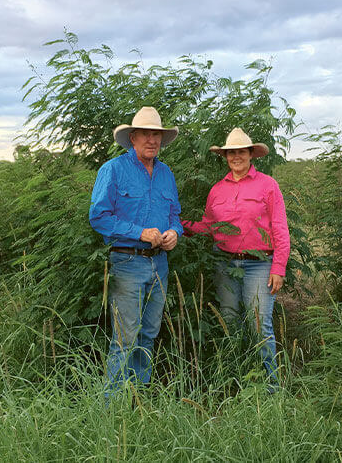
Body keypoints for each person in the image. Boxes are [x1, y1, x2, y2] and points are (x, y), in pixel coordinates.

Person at [181, 127, 290, 389]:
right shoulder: (217, 190)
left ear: (251, 154)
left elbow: (280, 228)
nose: (236, 157)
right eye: (231, 153)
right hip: (224, 263)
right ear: (225, 157)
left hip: (259, 264)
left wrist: (279, 266)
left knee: (259, 326)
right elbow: (209, 227)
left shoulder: (268, 185)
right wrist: (180, 224)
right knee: (229, 323)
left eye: (241, 151)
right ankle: (236, 381)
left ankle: (272, 388)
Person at [89, 106, 183, 397]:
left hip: (160, 265)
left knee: (149, 334)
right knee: (125, 338)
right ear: (133, 137)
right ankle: (111, 406)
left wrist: (174, 234)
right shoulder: (113, 170)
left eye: (156, 135)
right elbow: (98, 216)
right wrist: (139, 232)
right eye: (145, 134)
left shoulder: (166, 174)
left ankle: (138, 398)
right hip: (127, 262)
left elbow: (175, 216)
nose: (151, 140)